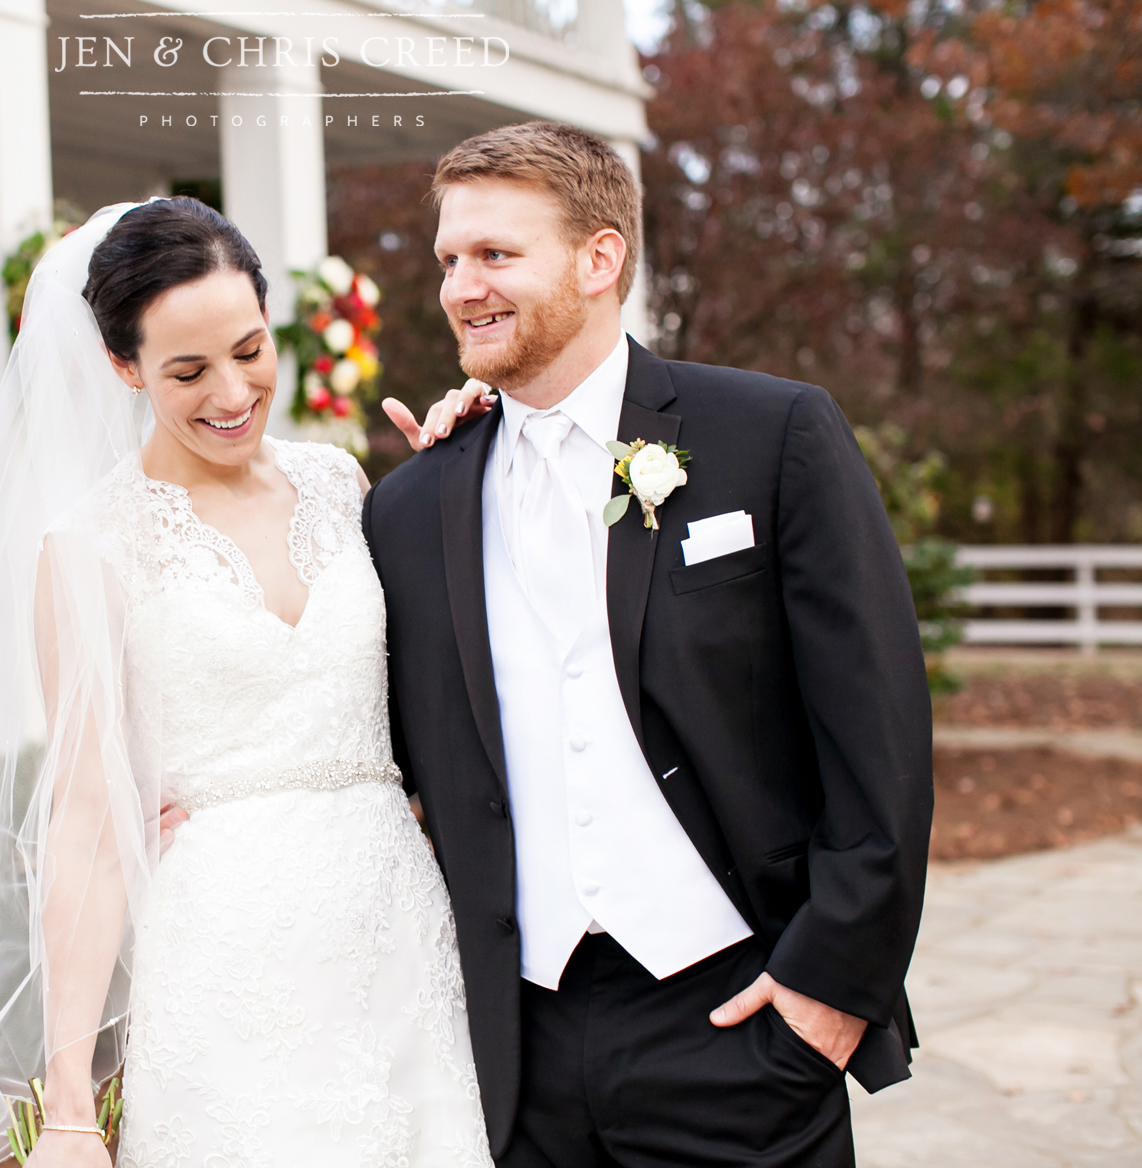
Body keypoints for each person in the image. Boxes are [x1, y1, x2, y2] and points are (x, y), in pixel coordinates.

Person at [366, 122, 934, 1167]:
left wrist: (824, 989)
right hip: (516, 1045)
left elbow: (878, 731)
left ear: (599, 258)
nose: (459, 287)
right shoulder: (408, 508)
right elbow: (387, 749)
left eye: (495, 255)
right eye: (448, 259)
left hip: (739, 1019)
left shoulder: (768, 436)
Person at [0, 198, 495, 1168]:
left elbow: (442, 675)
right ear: (122, 368)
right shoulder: (89, 547)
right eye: (187, 370)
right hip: (225, 957)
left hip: (399, 938)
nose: (232, 392)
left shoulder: (344, 484)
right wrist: (74, 1102)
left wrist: (463, 468)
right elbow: (86, 824)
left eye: (250, 349)